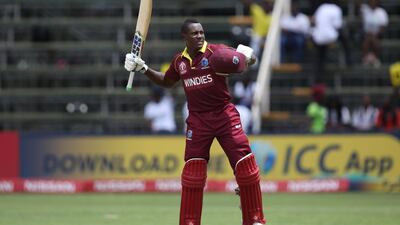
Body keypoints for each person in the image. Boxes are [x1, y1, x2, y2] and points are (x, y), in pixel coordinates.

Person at [124, 19, 265, 225]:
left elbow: (242, 61)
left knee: (245, 165)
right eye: (194, 33)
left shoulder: (216, 53)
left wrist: (246, 57)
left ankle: (255, 219)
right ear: (184, 37)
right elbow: (167, 81)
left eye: (201, 32)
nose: (199, 36)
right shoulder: (179, 61)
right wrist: (143, 68)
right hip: (198, 120)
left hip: (224, 115)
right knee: (193, 173)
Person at [358, 0, 389, 67]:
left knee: (373, 39)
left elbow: (383, 26)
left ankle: (376, 58)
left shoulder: (381, 12)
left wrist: (376, 33)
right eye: (370, 1)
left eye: (374, 1)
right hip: (366, 34)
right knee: (367, 39)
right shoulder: (365, 9)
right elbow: (358, 4)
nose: (372, 3)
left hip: (378, 34)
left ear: (377, 2)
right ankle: (366, 58)